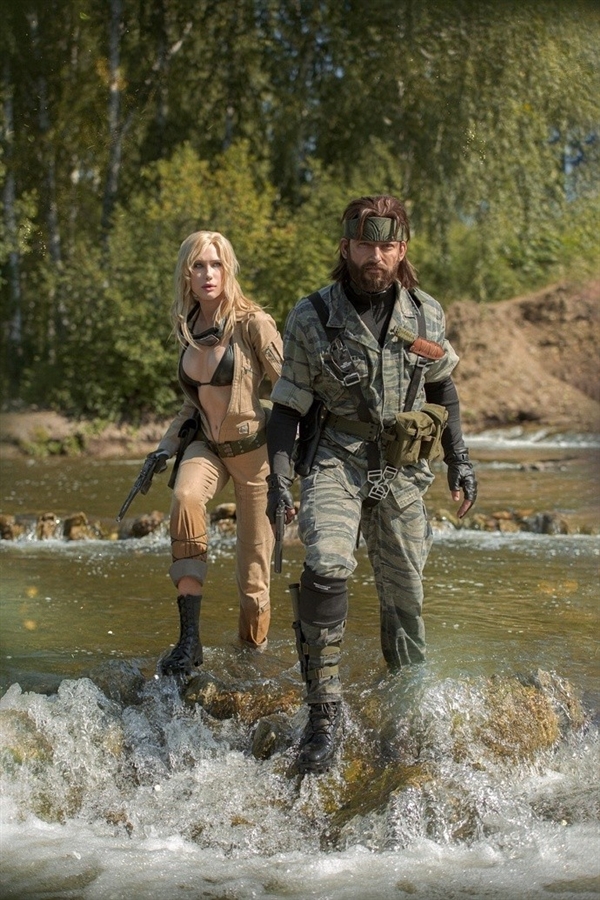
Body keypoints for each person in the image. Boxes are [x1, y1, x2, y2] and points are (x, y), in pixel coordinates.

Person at [266, 195, 477, 774]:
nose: (375, 257)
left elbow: (444, 389)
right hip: (336, 457)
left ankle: (404, 709)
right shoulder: (312, 315)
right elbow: (286, 408)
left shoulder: (425, 314)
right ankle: (323, 713)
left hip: (401, 468)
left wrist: (460, 459)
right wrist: (279, 480)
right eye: (365, 244)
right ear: (346, 247)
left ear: (402, 250)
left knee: (406, 595)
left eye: (386, 246)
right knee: (328, 563)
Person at [146, 230, 283, 676]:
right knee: (185, 498)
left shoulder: (253, 323)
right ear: (186, 274)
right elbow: (193, 404)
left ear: (228, 270)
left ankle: (251, 663)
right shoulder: (188, 328)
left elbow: (290, 392)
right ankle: (189, 641)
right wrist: (165, 448)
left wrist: (291, 461)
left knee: (253, 580)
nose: (208, 274)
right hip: (206, 445)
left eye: (216, 264)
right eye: (199, 266)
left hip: (253, 454)